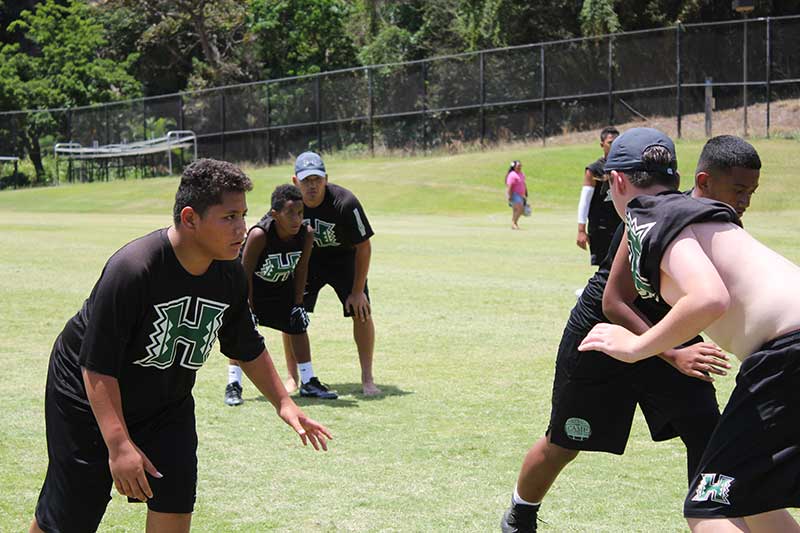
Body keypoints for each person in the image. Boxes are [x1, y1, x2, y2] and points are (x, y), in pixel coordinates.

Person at [30, 159, 332, 533]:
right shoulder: (134, 269)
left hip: (165, 401)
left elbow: (246, 345)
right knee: (71, 516)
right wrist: (120, 444)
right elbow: (97, 364)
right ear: (190, 218)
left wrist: (284, 404)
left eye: (244, 215)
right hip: (87, 395)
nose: (242, 228)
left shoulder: (229, 274)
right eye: (229, 217)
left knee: (175, 500)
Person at [501, 130, 755, 533]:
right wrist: (672, 353)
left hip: (668, 335)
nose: (744, 201)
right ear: (703, 181)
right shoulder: (651, 216)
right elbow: (614, 302)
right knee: (563, 443)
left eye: (750, 192)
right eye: (739, 190)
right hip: (602, 334)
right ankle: (520, 514)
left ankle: (716, 518)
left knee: (707, 434)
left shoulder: (722, 223)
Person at [580, 131, 800, 532]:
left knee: (708, 506)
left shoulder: (648, 214)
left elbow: (709, 298)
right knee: (753, 496)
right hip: (787, 351)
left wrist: (637, 347)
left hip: (787, 351)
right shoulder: (688, 212)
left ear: (617, 182)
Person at [224, 184, 337, 406]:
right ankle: (233, 384)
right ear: (275, 214)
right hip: (252, 291)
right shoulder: (260, 234)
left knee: (297, 326)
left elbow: (301, 269)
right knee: (241, 332)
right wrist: (246, 307)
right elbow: (244, 273)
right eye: (290, 213)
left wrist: (298, 304)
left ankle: (308, 381)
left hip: (281, 289)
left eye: (300, 213)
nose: (297, 219)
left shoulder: (306, 234)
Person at [287, 151, 380, 396]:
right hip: (308, 262)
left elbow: (364, 245)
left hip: (344, 260)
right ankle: (292, 378)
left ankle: (367, 378)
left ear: (326, 179)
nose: (312, 186)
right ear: (296, 182)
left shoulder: (345, 202)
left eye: (317, 179)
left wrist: (358, 291)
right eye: (306, 181)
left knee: (361, 311)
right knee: (290, 313)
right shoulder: (289, 205)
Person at [576, 126, 620, 265]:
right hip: (601, 228)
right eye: (611, 143)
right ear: (602, 145)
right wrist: (581, 230)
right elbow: (585, 200)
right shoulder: (594, 169)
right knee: (605, 268)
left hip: (621, 225)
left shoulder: (624, 166)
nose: (614, 146)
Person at [505, 160, 528, 230]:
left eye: (520, 166)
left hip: (521, 195)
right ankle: (514, 223)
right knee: (520, 209)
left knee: (516, 210)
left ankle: (514, 224)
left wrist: (526, 192)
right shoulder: (512, 175)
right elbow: (510, 186)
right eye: (518, 166)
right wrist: (509, 196)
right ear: (514, 167)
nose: (520, 167)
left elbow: (523, 183)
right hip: (514, 194)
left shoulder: (521, 174)